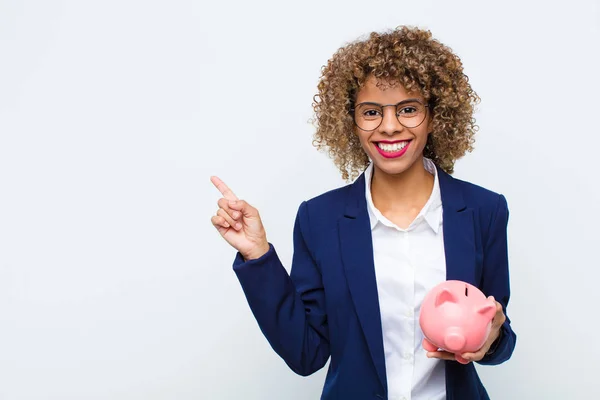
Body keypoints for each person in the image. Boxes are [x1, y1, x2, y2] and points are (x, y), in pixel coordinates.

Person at [210, 25, 516, 400]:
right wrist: (256, 256)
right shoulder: (319, 219)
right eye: (371, 112)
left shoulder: (484, 210)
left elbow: (499, 334)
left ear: (434, 116)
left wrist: (493, 337)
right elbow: (306, 353)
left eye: (408, 109)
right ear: (350, 122)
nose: (389, 127)